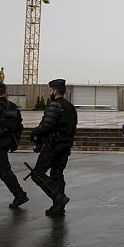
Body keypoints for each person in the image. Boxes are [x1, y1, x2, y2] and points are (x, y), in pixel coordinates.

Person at [29, 79, 78, 216]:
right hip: (65, 145)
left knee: (37, 174)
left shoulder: (55, 106)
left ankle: (58, 197)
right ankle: (58, 206)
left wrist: (34, 133)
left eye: (50, 90)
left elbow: (46, 125)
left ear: (55, 91)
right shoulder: (70, 107)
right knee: (57, 174)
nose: (49, 93)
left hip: (53, 145)